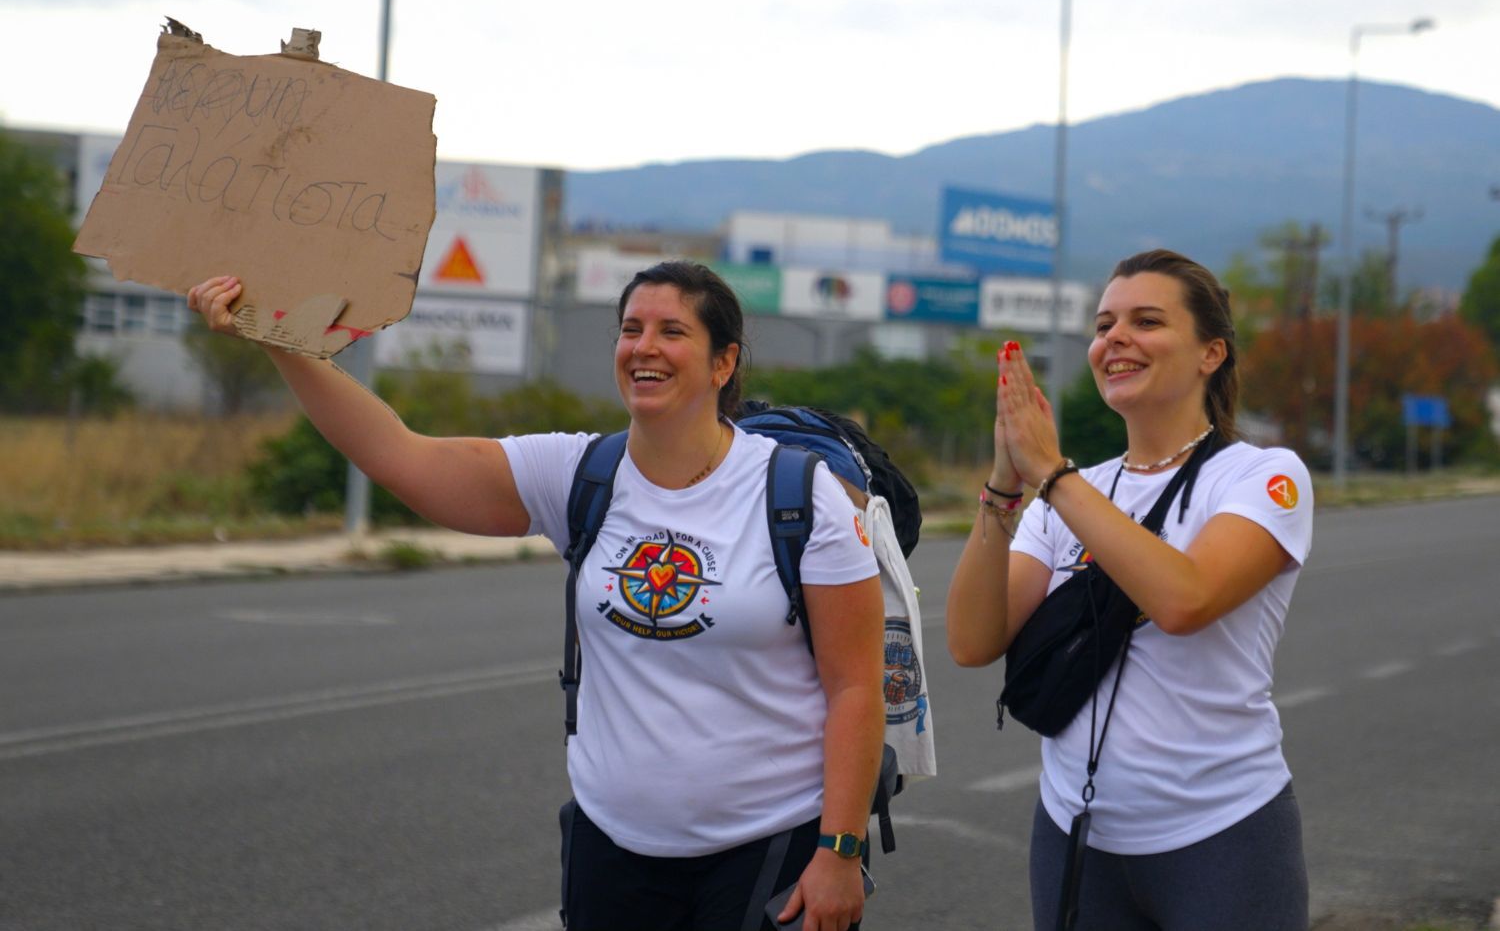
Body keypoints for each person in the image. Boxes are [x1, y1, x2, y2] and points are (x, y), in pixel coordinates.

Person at [187, 261, 885, 931]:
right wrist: (279, 343)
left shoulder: (799, 496)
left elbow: (855, 687)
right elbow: (401, 455)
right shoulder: (578, 473)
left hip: (767, 846)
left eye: (672, 331)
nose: (644, 347)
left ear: (723, 363)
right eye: (631, 329)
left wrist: (840, 851)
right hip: (614, 848)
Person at [946, 249, 1314, 930]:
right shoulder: (1074, 491)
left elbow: (1184, 600)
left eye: (1146, 322)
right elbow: (972, 641)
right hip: (1075, 831)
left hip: (1223, 834)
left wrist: (1052, 474)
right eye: (1103, 324)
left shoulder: (1260, 476)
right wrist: (1005, 483)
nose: (1115, 339)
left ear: (1211, 353)